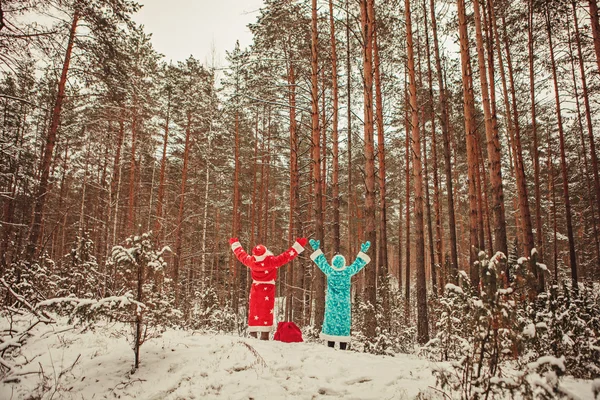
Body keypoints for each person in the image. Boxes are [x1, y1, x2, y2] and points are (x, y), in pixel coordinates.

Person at [229, 237, 307, 340]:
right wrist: (298, 246)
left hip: (255, 288)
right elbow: (286, 256)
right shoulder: (271, 261)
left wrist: (235, 244)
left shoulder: (251, 261)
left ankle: (253, 334)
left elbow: (241, 255)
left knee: (254, 311)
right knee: (266, 312)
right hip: (268, 289)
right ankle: (264, 335)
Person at [308, 239, 371, 349]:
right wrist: (362, 252)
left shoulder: (330, 271)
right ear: (344, 263)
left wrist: (316, 249)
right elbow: (357, 264)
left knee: (331, 325)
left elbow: (321, 261)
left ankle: (330, 347)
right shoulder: (347, 272)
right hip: (344, 304)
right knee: (343, 324)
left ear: (333, 263)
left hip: (332, 304)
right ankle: (343, 348)